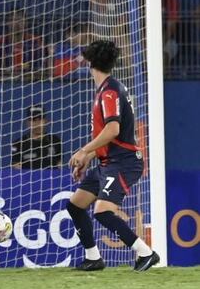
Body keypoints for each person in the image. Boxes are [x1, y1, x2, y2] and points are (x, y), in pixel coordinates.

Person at [66, 40, 160, 271]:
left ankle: (145, 252)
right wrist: (89, 157)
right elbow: (107, 136)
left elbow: (112, 130)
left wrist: (84, 150)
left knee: (102, 211)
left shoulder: (108, 92)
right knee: (76, 205)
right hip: (109, 161)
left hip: (123, 163)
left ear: (89, 62)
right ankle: (93, 257)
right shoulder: (108, 88)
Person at [0, 10, 45, 80]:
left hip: (29, 81)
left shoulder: (35, 41)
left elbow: (40, 68)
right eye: (13, 20)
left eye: (20, 20)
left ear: (26, 22)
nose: (16, 23)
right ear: (7, 23)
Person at [10, 105, 63, 170]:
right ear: (27, 122)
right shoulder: (18, 144)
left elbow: (59, 165)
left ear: (46, 121)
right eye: (34, 120)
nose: (37, 123)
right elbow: (16, 168)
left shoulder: (55, 141)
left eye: (40, 119)